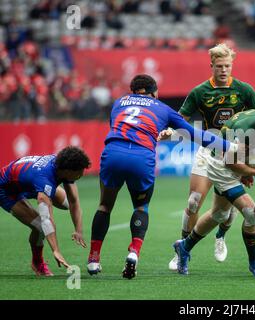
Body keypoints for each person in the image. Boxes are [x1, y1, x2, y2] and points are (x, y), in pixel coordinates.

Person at [86, 74, 239, 279]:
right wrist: (231, 147)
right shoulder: (162, 108)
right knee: (141, 207)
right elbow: (194, 135)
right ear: (154, 92)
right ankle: (133, 252)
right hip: (141, 157)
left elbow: (116, 125)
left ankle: (94, 260)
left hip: (113, 152)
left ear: (133, 91)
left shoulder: (119, 102)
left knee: (104, 206)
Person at [161, 43, 255, 271]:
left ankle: (220, 237)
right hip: (208, 151)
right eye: (219, 66)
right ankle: (182, 250)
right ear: (212, 66)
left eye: (227, 65)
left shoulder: (244, 89)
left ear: (232, 65)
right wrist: (170, 131)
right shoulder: (199, 91)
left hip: (233, 154)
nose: (223, 70)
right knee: (193, 201)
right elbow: (181, 119)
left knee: (224, 213)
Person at [173, 103, 255, 277]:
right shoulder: (245, 129)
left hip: (233, 161)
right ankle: (254, 262)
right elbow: (230, 162)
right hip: (219, 164)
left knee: (219, 215)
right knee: (251, 213)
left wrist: (247, 169)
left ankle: (184, 247)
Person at [0, 146, 91, 276]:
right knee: (40, 226)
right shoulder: (44, 180)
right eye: (79, 171)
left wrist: (78, 230)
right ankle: (37, 262)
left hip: (28, 181)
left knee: (66, 204)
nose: (82, 174)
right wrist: (56, 250)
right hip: (6, 190)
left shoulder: (62, 165)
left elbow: (74, 202)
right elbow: (46, 218)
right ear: (68, 171)